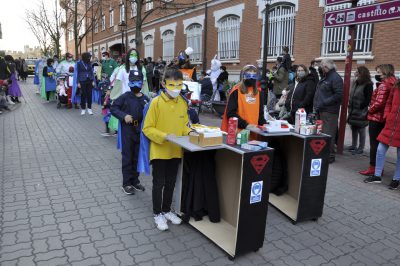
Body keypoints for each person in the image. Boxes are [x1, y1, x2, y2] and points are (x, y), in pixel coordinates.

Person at [142, 68, 197, 231]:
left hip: (175, 150)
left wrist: (192, 132)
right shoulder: (156, 103)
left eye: (179, 85)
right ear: (163, 84)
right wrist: (164, 136)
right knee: (159, 183)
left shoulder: (182, 102)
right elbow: (147, 128)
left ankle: (166, 210)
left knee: (171, 182)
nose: (175, 89)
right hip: (160, 150)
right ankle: (157, 213)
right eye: (172, 85)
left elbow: (185, 125)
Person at [111, 70, 149, 195]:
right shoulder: (125, 97)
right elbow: (113, 108)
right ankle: (126, 183)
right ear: (129, 83)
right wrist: (123, 115)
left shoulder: (145, 99)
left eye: (138, 82)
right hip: (128, 130)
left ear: (142, 84)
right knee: (127, 157)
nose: (136, 85)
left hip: (140, 131)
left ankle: (135, 181)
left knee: (137, 157)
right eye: (133, 82)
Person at [359, 64, 397, 176]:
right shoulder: (393, 82)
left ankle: (373, 168)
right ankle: (378, 168)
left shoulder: (384, 85)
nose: (378, 74)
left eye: (379, 72)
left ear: (385, 72)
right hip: (384, 118)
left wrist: (369, 111)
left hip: (376, 118)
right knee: (380, 145)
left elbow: (379, 103)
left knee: (374, 145)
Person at [364, 77, 400, 189]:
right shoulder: (396, 85)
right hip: (391, 123)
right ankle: (377, 176)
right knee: (380, 149)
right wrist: (387, 115)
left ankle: (396, 179)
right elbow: (389, 102)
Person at [313, 59, 343, 163]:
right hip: (322, 109)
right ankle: (323, 153)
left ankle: (330, 156)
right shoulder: (326, 77)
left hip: (329, 111)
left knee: (328, 133)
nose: (321, 68)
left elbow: (339, 95)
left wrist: (324, 102)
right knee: (322, 133)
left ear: (326, 67)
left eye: (322, 66)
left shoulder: (335, 78)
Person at [221, 65, 266, 134]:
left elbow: (260, 114)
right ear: (243, 76)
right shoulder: (236, 91)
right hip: (239, 133)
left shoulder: (258, 92)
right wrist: (246, 125)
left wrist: (265, 125)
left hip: (255, 132)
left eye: (254, 76)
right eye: (248, 75)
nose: (251, 78)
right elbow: (231, 113)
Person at [347, 66, 373, 155]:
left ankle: (361, 147)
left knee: (361, 129)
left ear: (362, 73)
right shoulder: (355, 82)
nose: (355, 72)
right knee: (353, 127)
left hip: (361, 111)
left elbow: (368, 99)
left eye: (357, 71)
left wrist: (361, 106)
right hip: (352, 110)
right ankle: (354, 145)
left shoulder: (368, 84)